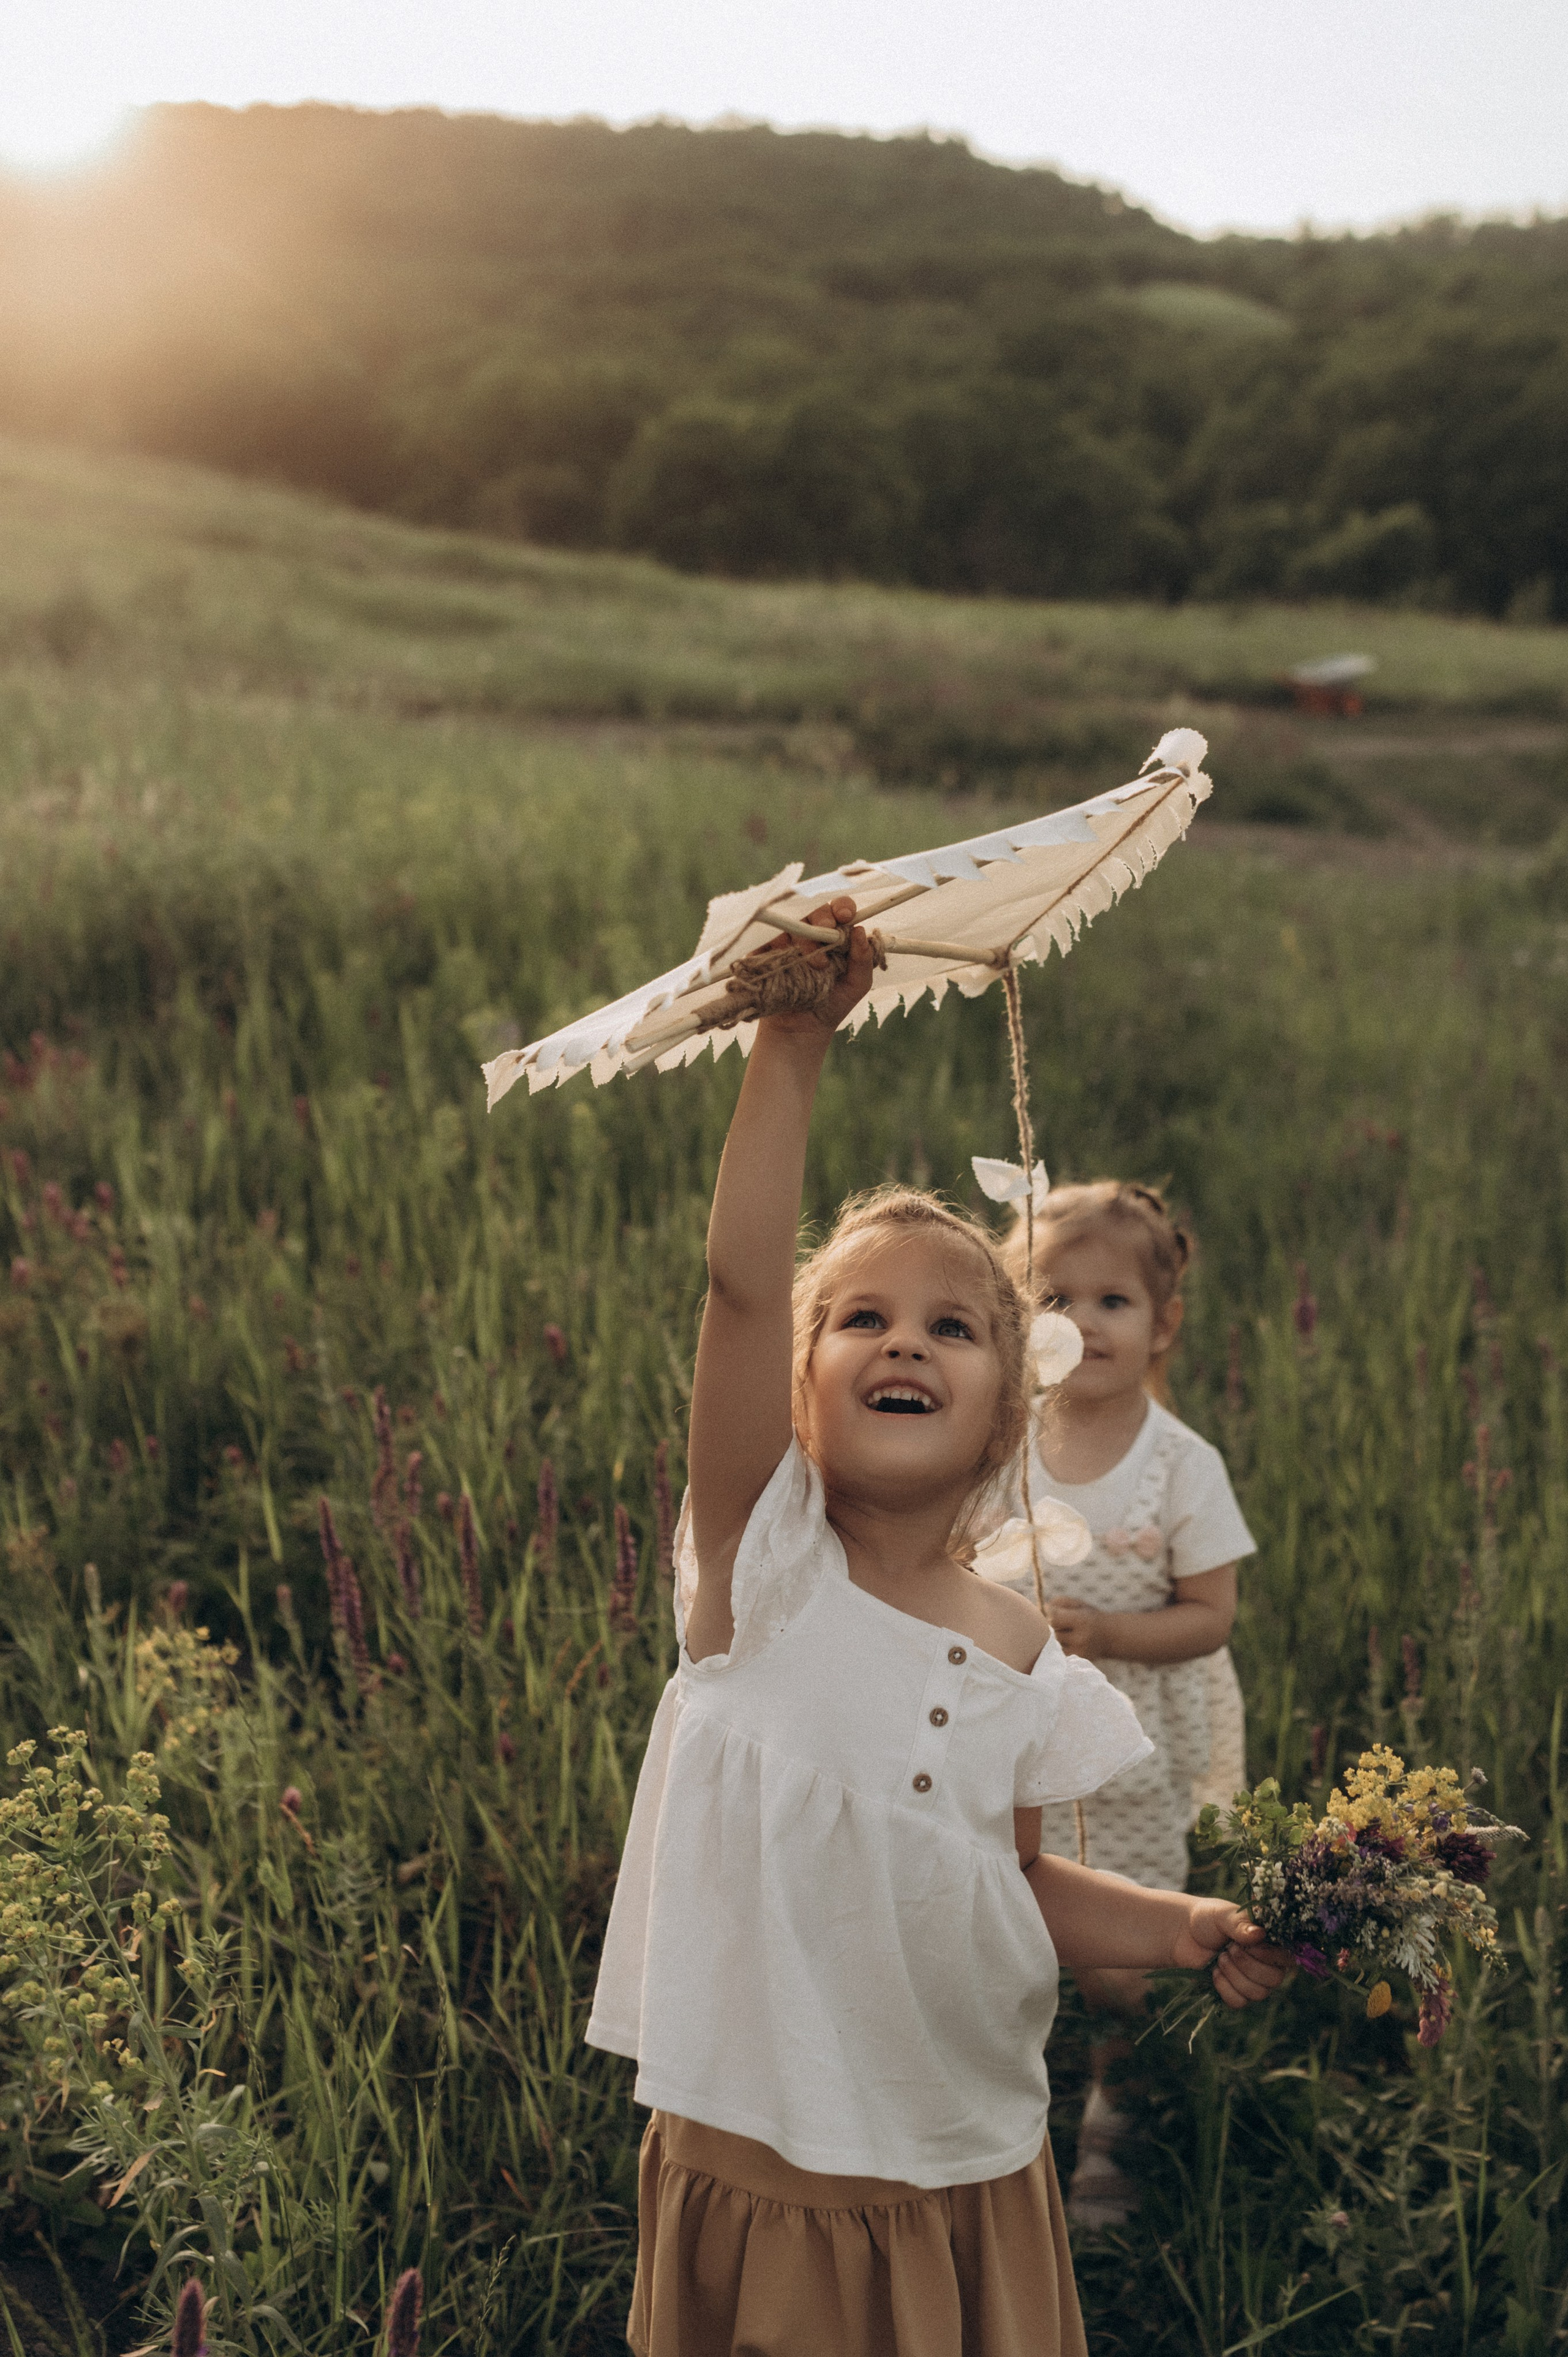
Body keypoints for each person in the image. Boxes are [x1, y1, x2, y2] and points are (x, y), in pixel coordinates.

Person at [586, 902, 1286, 2357]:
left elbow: (1015, 1882)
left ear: (1003, 1420)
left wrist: (1187, 1926)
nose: (902, 1340)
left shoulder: (1022, 1649)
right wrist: (790, 1042)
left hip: (962, 2154)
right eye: (856, 1319)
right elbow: (732, 1296)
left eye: (953, 1327)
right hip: (766, 2147)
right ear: (798, 1384)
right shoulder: (762, 1571)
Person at [990, 1180, 1256, 2230]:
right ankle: (1000, 2093)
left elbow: (1208, 1616)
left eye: (1113, 1302)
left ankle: (1117, 2100)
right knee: (1009, 1901)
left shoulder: (1181, 1466)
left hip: (1133, 1744)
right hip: (1013, 1733)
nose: (1082, 1325)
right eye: (1052, 1298)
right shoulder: (998, 1442)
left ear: (1163, 1325)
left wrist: (1105, 1636)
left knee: (1118, 1935)